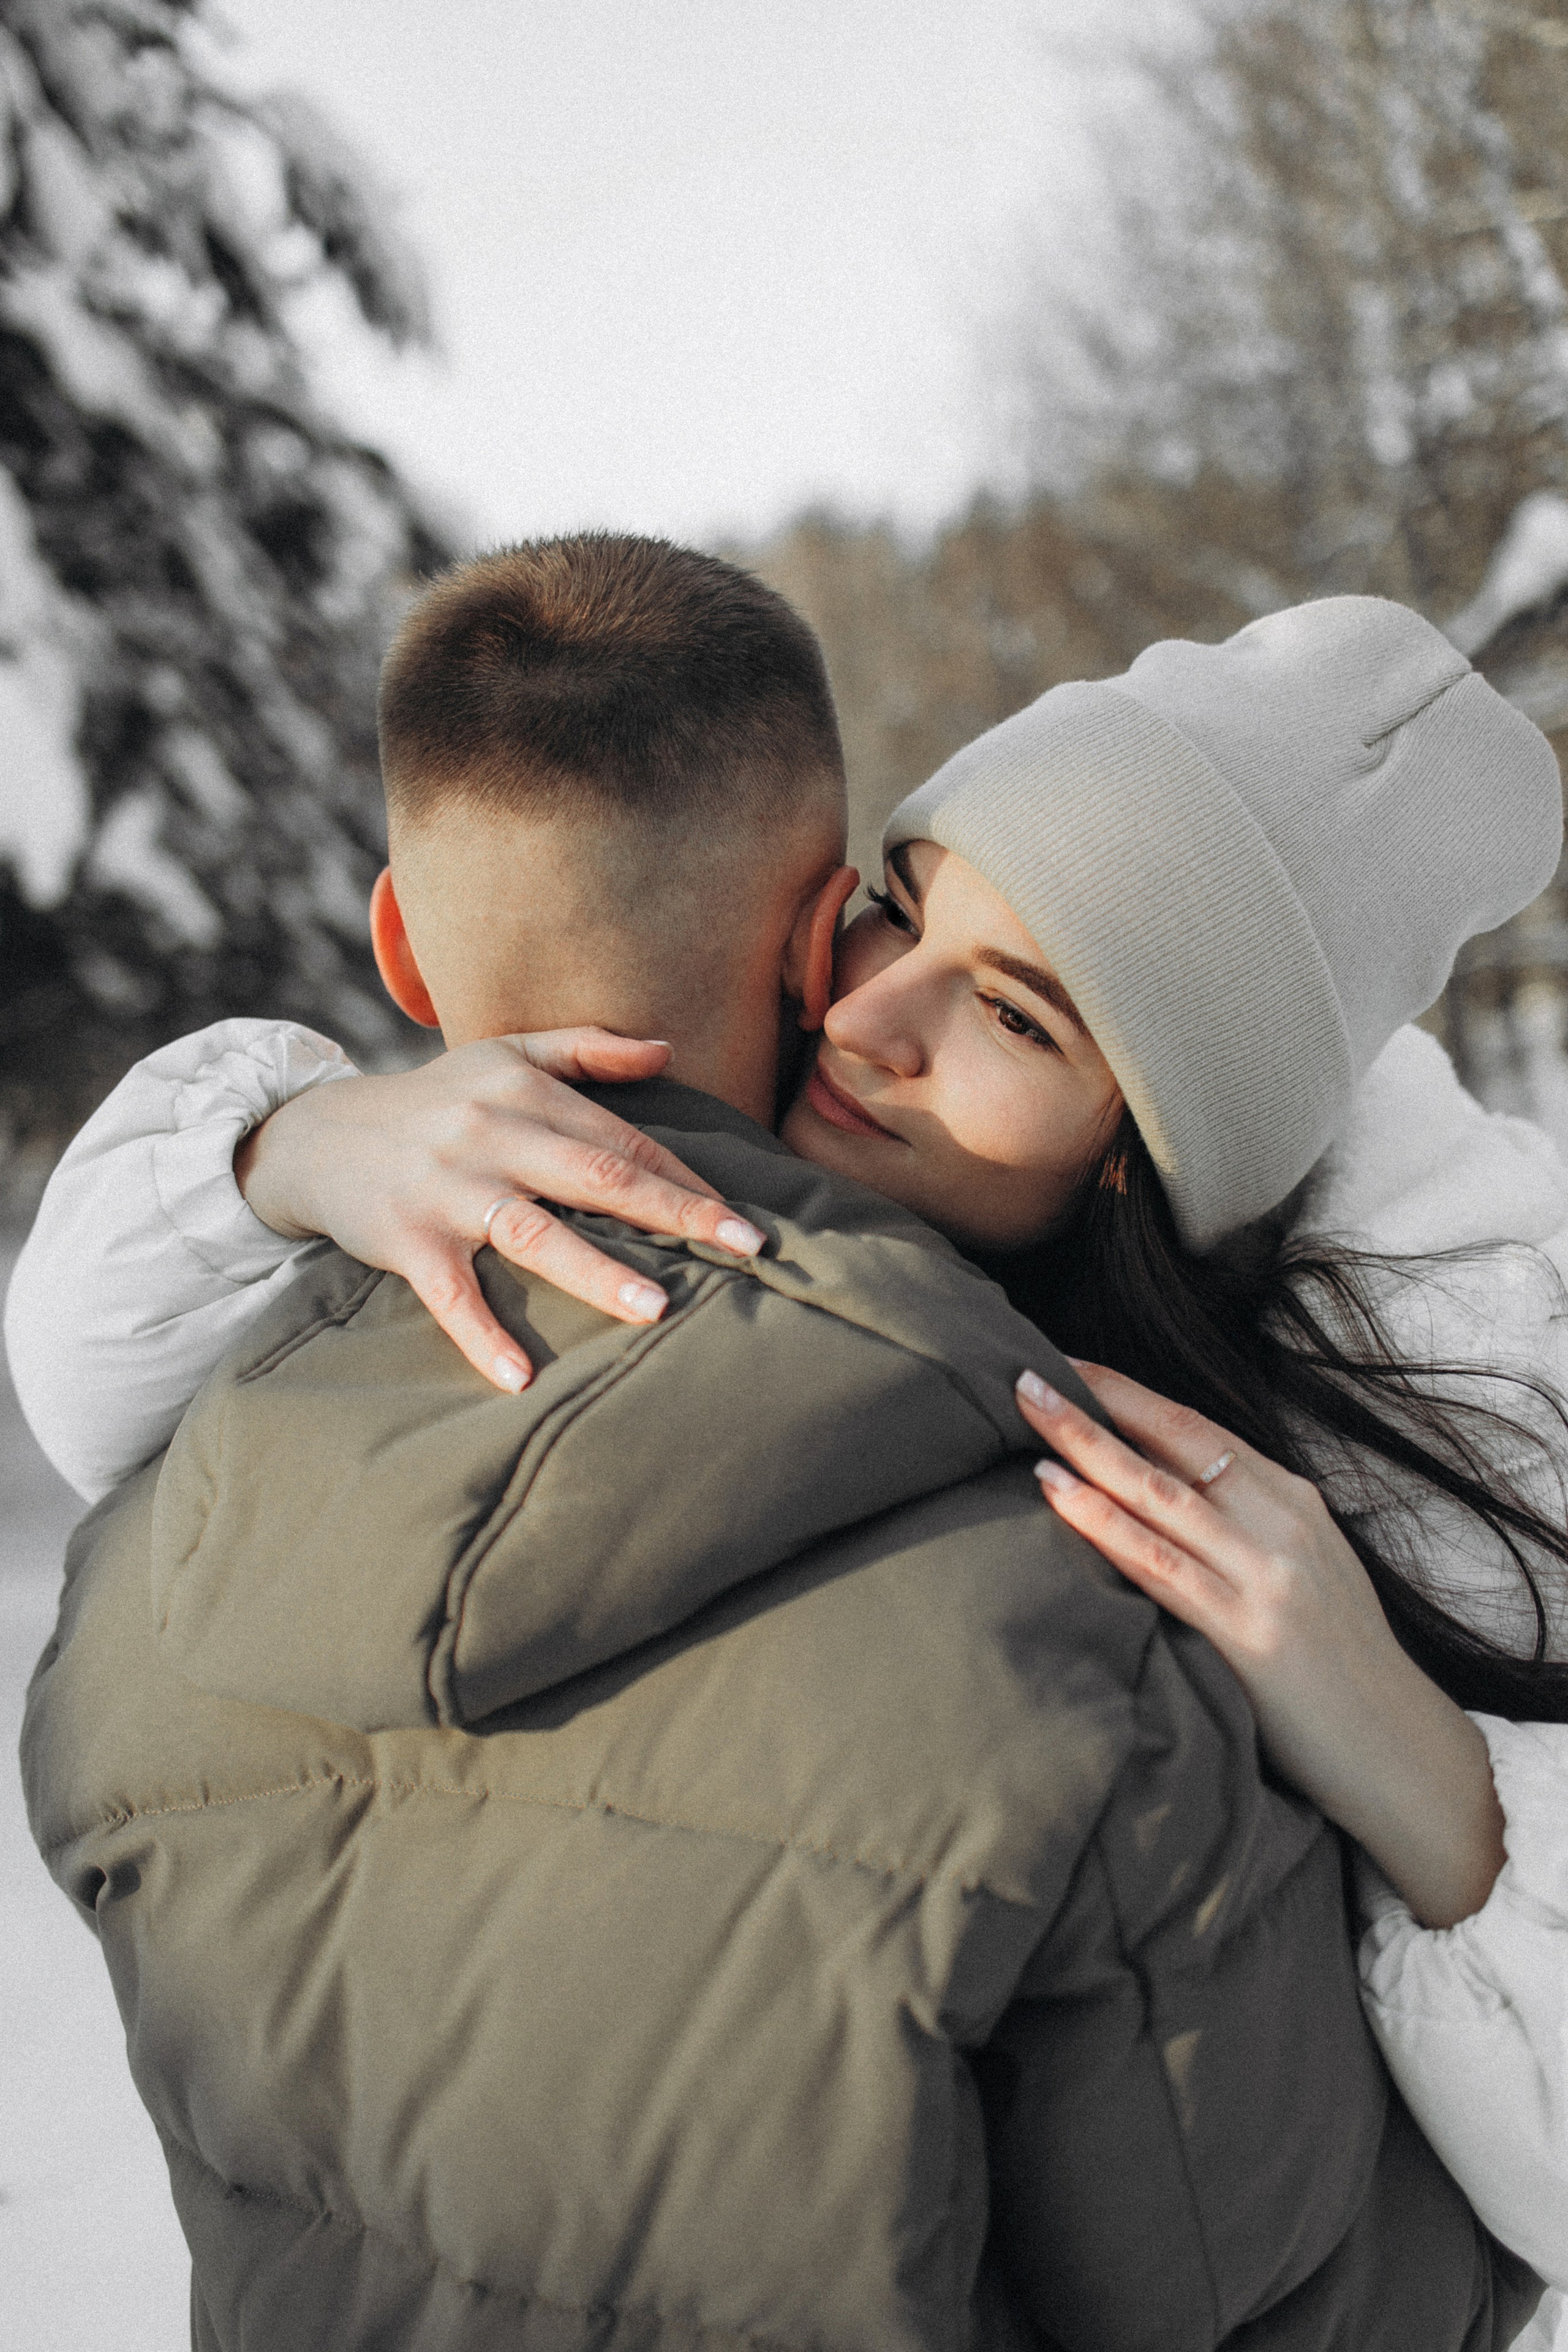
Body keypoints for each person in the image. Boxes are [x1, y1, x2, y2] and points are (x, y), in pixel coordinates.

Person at [9, 547, 1544, 2349]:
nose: (869, 1015)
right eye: (898, 913)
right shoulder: (445, 1203)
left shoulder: (1287, 1530)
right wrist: (291, 1142)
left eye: (1017, 1011)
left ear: (1147, 1164)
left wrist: (1426, 1777)